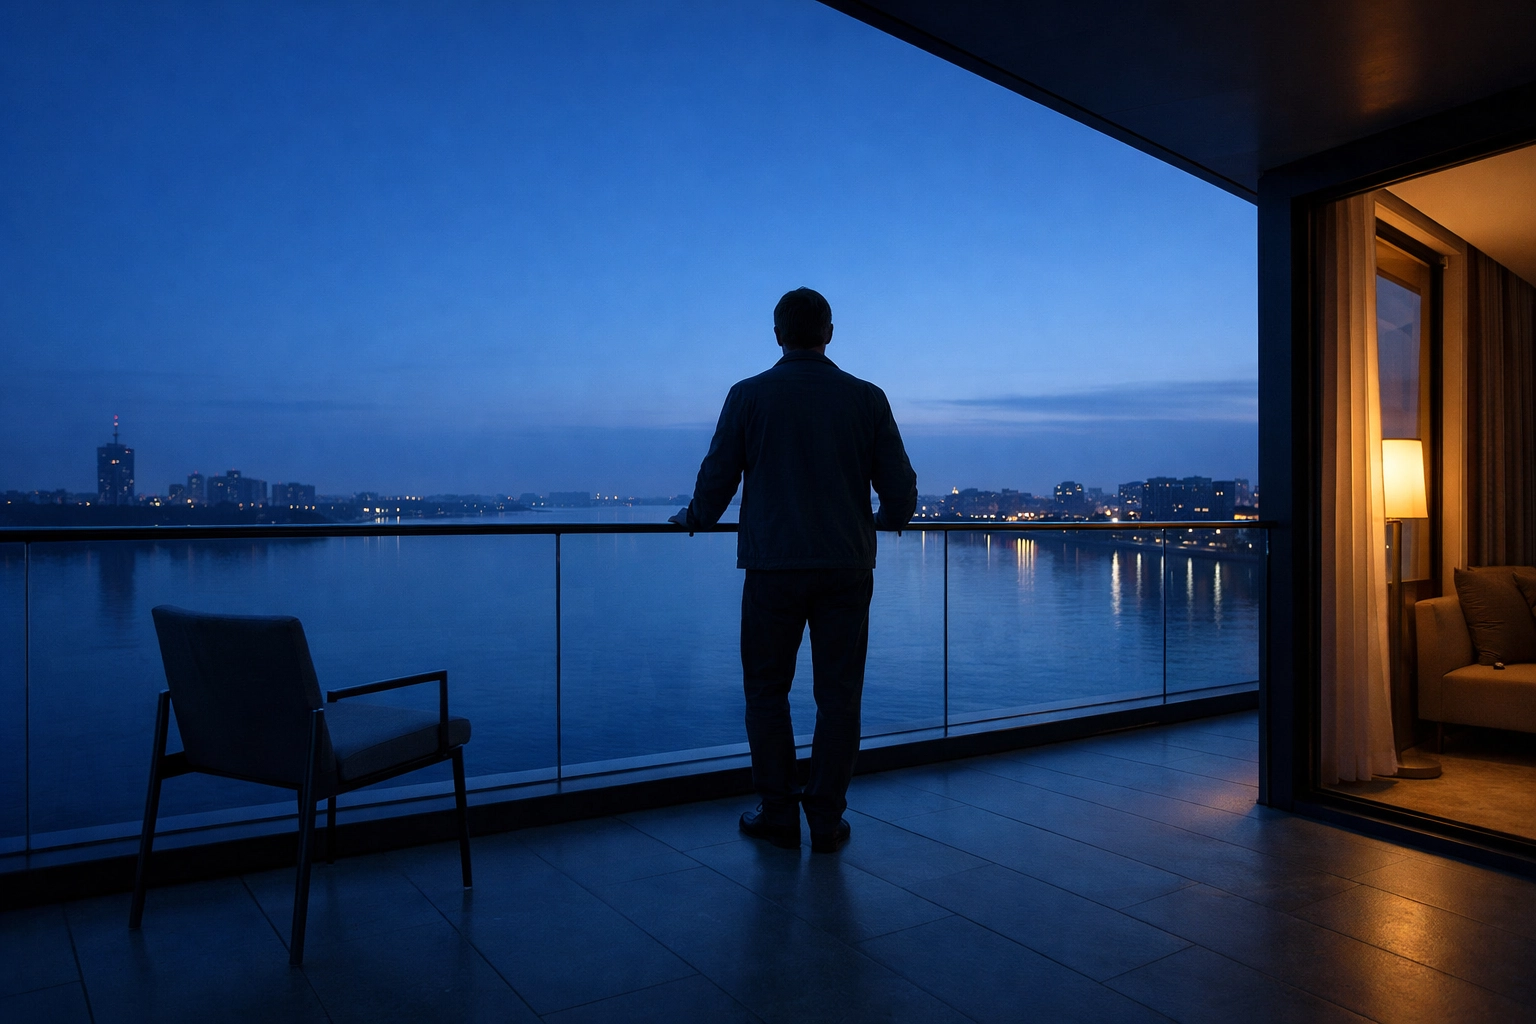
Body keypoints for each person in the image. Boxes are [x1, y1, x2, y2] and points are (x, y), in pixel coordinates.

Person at [671, 287, 917, 852]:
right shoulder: (866, 398)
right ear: (829, 332)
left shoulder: (750, 396)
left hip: (773, 566)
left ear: (778, 333)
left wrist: (695, 517)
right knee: (839, 698)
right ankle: (826, 817)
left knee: (765, 692)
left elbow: (718, 476)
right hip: (846, 565)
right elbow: (899, 486)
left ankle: (778, 810)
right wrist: (891, 518)